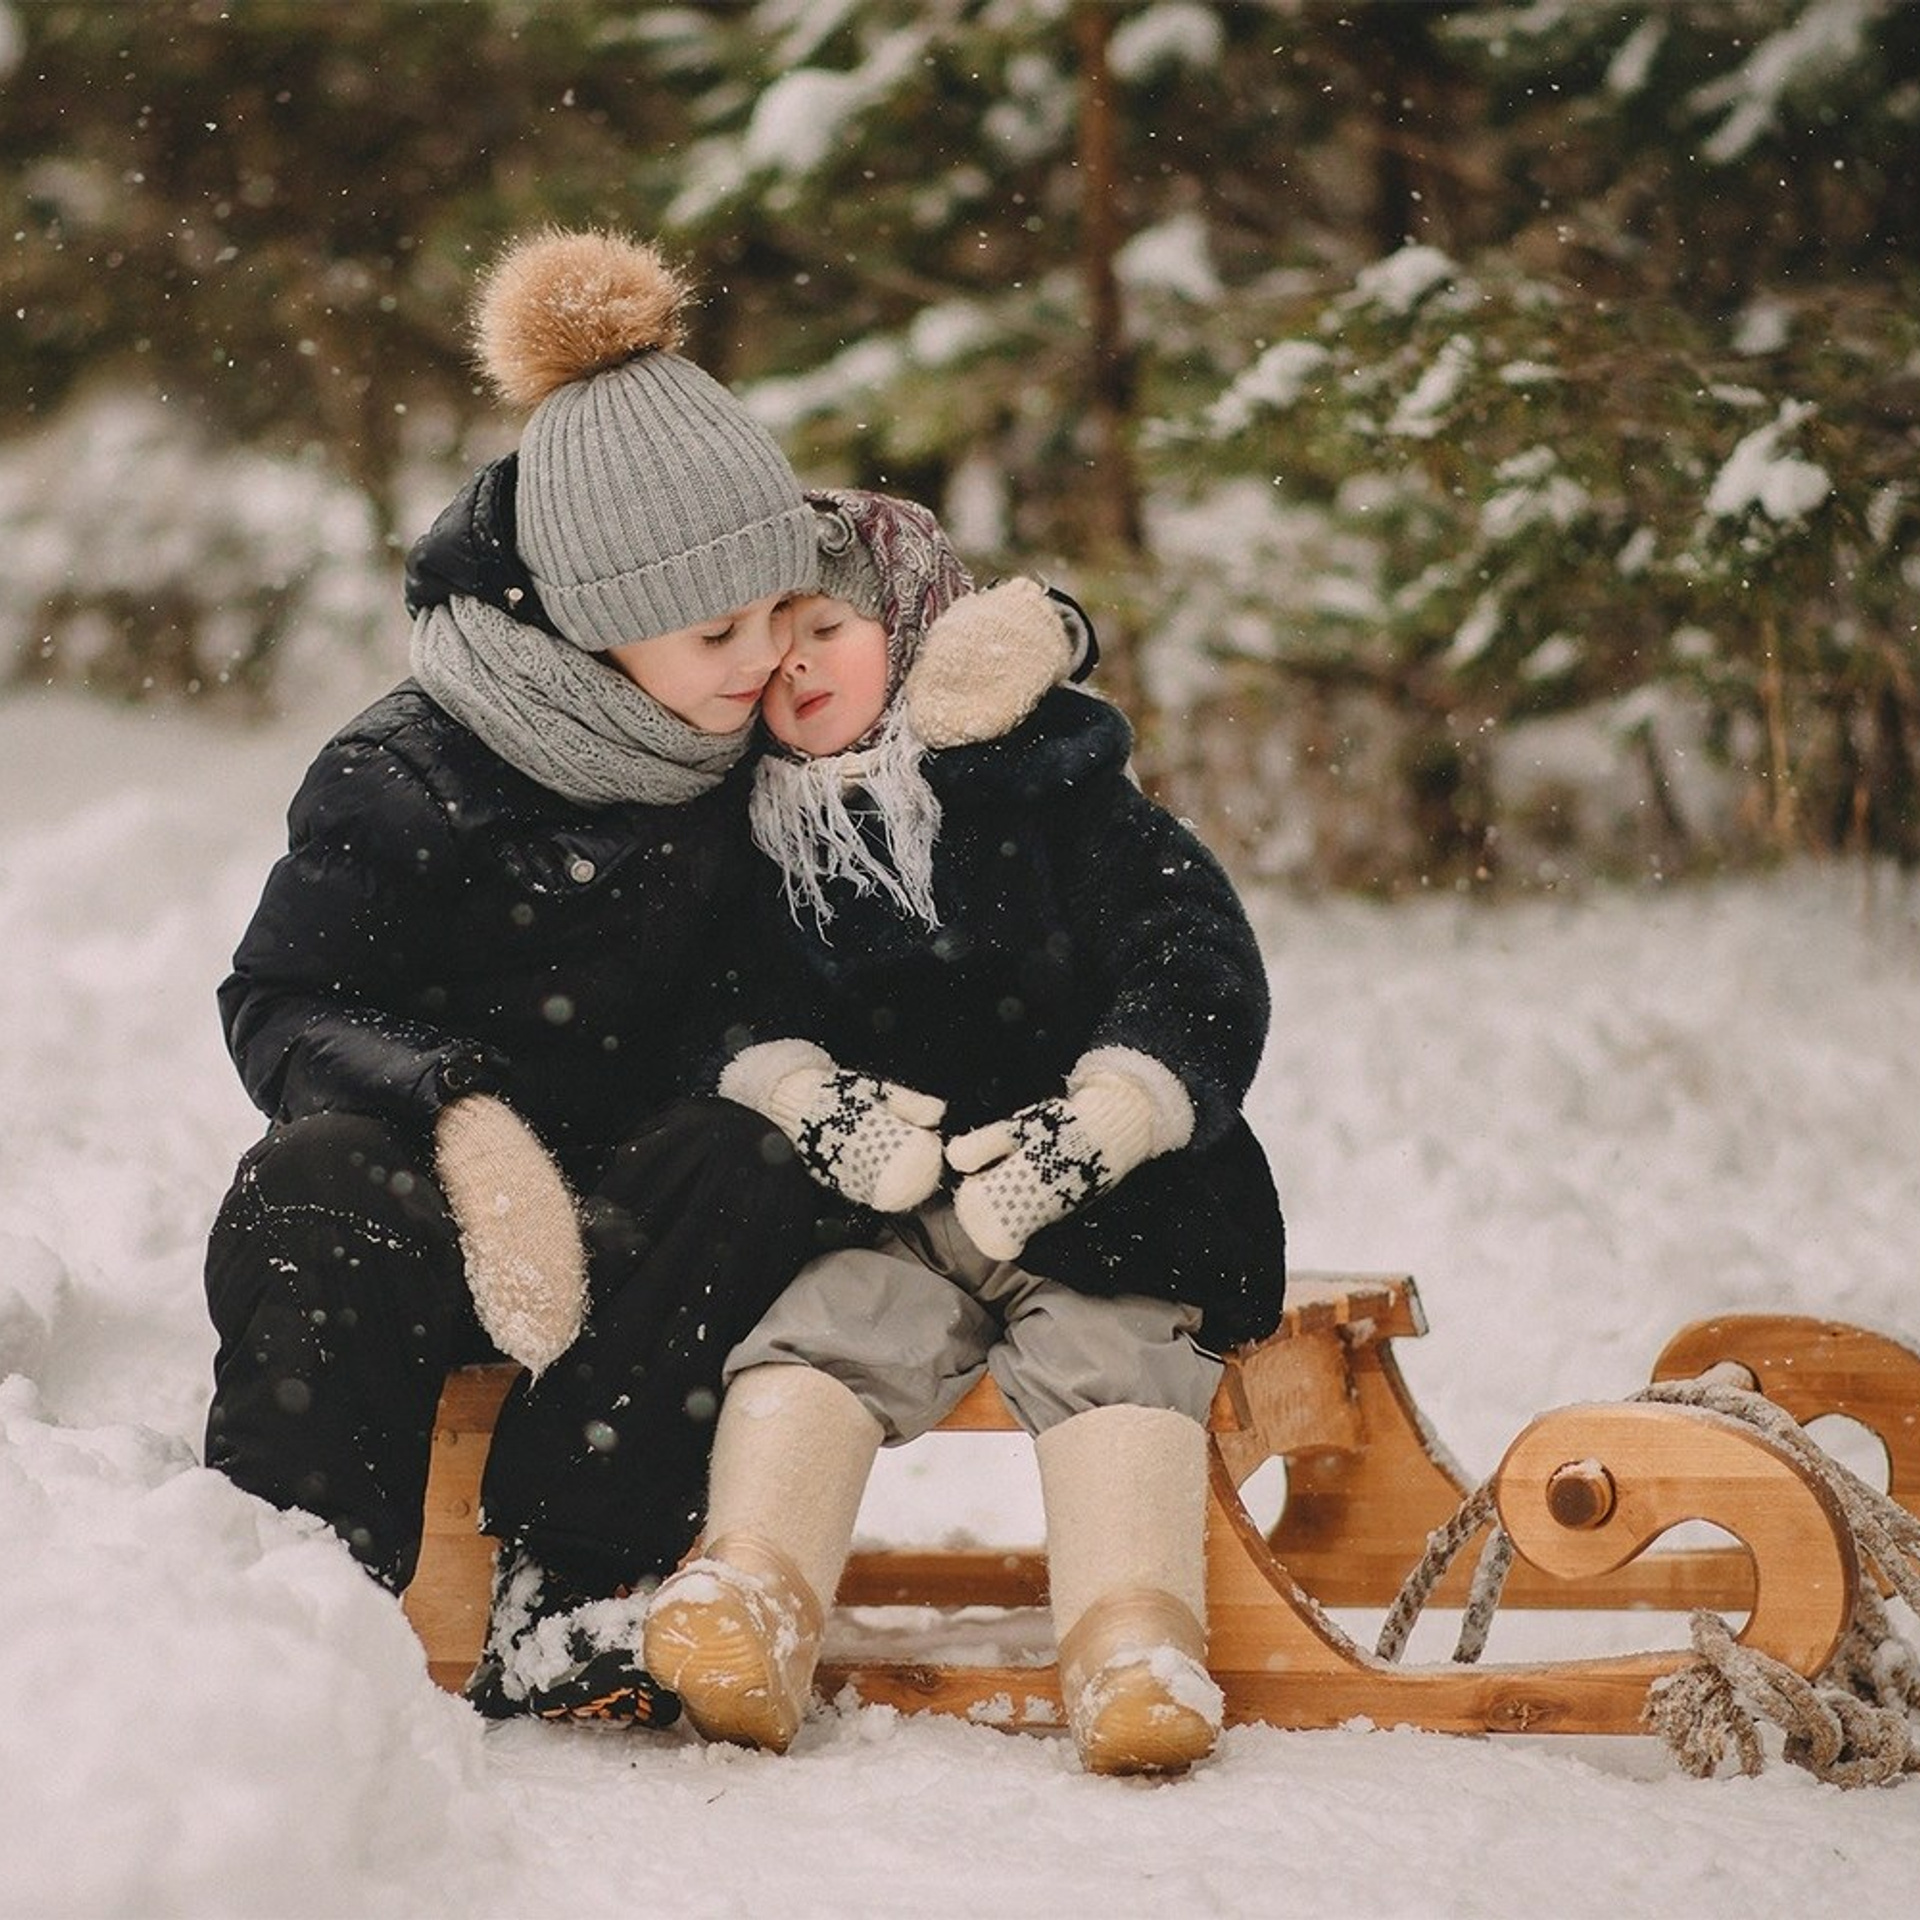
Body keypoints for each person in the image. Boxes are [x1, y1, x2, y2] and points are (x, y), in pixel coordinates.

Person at [202, 232, 1077, 1726]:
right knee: (320, 1180)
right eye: (717, 632)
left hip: (645, 1224)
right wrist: (460, 1117)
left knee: (747, 1153)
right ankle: (294, 1609)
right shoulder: (409, 768)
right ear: (595, 621)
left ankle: (578, 1587)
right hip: (424, 1193)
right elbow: (282, 1003)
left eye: (779, 619)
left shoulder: (749, 753)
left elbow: (935, 692)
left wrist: (1046, 636)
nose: (762, 665)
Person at [640, 490, 1286, 1776]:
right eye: (774, 643)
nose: (795, 663)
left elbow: (1195, 957)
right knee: (817, 1338)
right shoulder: (772, 836)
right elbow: (714, 1007)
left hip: (1106, 1206)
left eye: (827, 624)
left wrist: (1106, 1120)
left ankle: (1133, 1640)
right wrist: (805, 1097)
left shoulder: (1058, 793)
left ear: (923, 626)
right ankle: (751, 1596)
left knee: (1117, 1357)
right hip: (889, 1209)